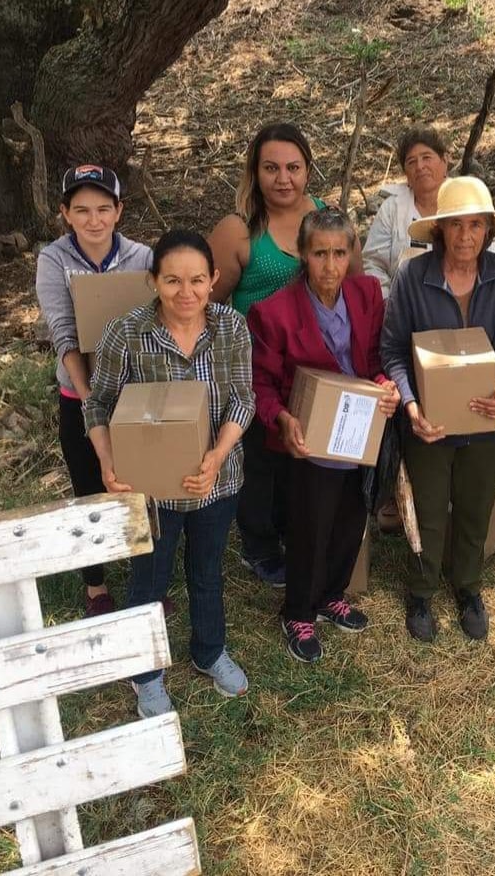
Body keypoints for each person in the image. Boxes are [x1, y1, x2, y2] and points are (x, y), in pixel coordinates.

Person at [84, 229, 255, 719]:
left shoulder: (231, 328)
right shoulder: (127, 333)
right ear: (153, 280)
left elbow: (244, 398)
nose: (187, 293)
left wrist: (218, 454)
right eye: (173, 280)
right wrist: (108, 461)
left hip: (215, 482)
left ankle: (209, 652)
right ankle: (146, 675)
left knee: (207, 573)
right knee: (148, 580)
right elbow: (98, 404)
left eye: (198, 280)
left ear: (214, 279)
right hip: (151, 489)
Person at [250, 209, 400, 663]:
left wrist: (385, 385)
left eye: (339, 253)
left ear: (352, 252)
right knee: (309, 527)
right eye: (320, 254)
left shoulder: (366, 293)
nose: (330, 265)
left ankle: (333, 593)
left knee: (351, 519)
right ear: (303, 253)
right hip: (309, 434)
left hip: (358, 427)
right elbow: (260, 383)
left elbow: (375, 357)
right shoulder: (274, 312)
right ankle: (297, 610)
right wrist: (282, 419)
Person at [380, 176, 495, 643]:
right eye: (456, 226)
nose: (466, 236)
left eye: (476, 225)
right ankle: (421, 590)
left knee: (475, 504)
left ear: (488, 231)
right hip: (430, 420)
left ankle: (467, 586)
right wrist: (412, 404)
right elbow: (394, 350)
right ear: (439, 230)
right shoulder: (412, 277)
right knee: (427, 505)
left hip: (485, 418)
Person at [208, 123, 327, 589]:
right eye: (271, 168)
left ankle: (290, 530)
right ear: (254, 173)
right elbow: (210, 305)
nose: (283, 178)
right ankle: (257, 545)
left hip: (314, 365)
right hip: (255, 367)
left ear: (308, 170)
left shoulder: (323, 217)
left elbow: (351, 279)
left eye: (293, 168)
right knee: (261, 462)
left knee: (301, 455)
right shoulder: (238, 230)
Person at [34, 164, 153, 617]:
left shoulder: (141, 257)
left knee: (141, 484)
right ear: (65, 213)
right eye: (81, 210)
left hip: (134, 391)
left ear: (119, 211)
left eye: (104, 208)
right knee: (89, 486)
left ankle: (148, 578)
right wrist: (89, 401)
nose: (94, 220)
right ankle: (96, 585)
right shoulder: (54, 260)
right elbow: (64, 331)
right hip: (79, 392)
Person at [362, 126, 495, 298]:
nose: (420, 166)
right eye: (411, 162)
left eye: (426, 157)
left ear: (445, 161)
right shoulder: (392, 209)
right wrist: (388, 301)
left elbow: (492, 260)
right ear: (406, 173)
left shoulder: (468, 198)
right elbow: (372, 264)